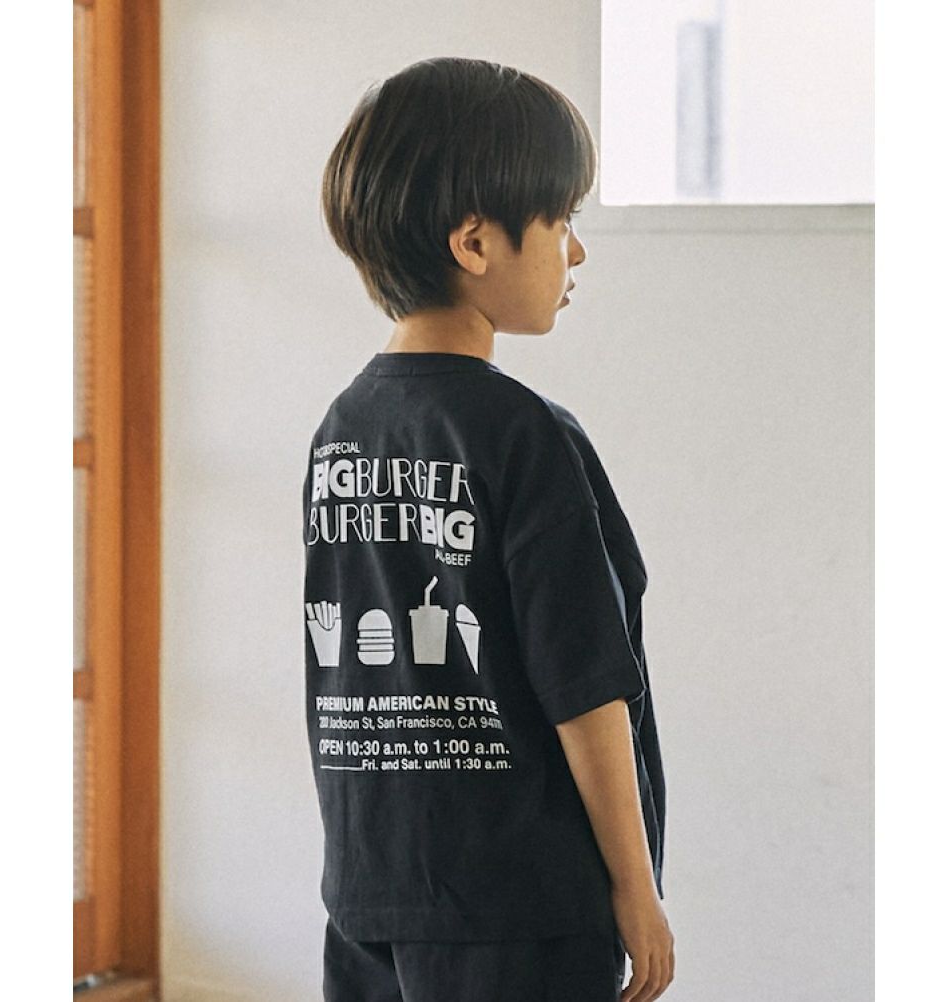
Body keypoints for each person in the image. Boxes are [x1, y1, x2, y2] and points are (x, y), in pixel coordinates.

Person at [304, 56, 674, 1002]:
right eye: (561, 220)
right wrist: (635, 891)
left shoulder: (344, 429)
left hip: (370, 892)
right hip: (522, 906)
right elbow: (585, 686)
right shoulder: (526, 436)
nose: (575, 253)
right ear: (475, 242)